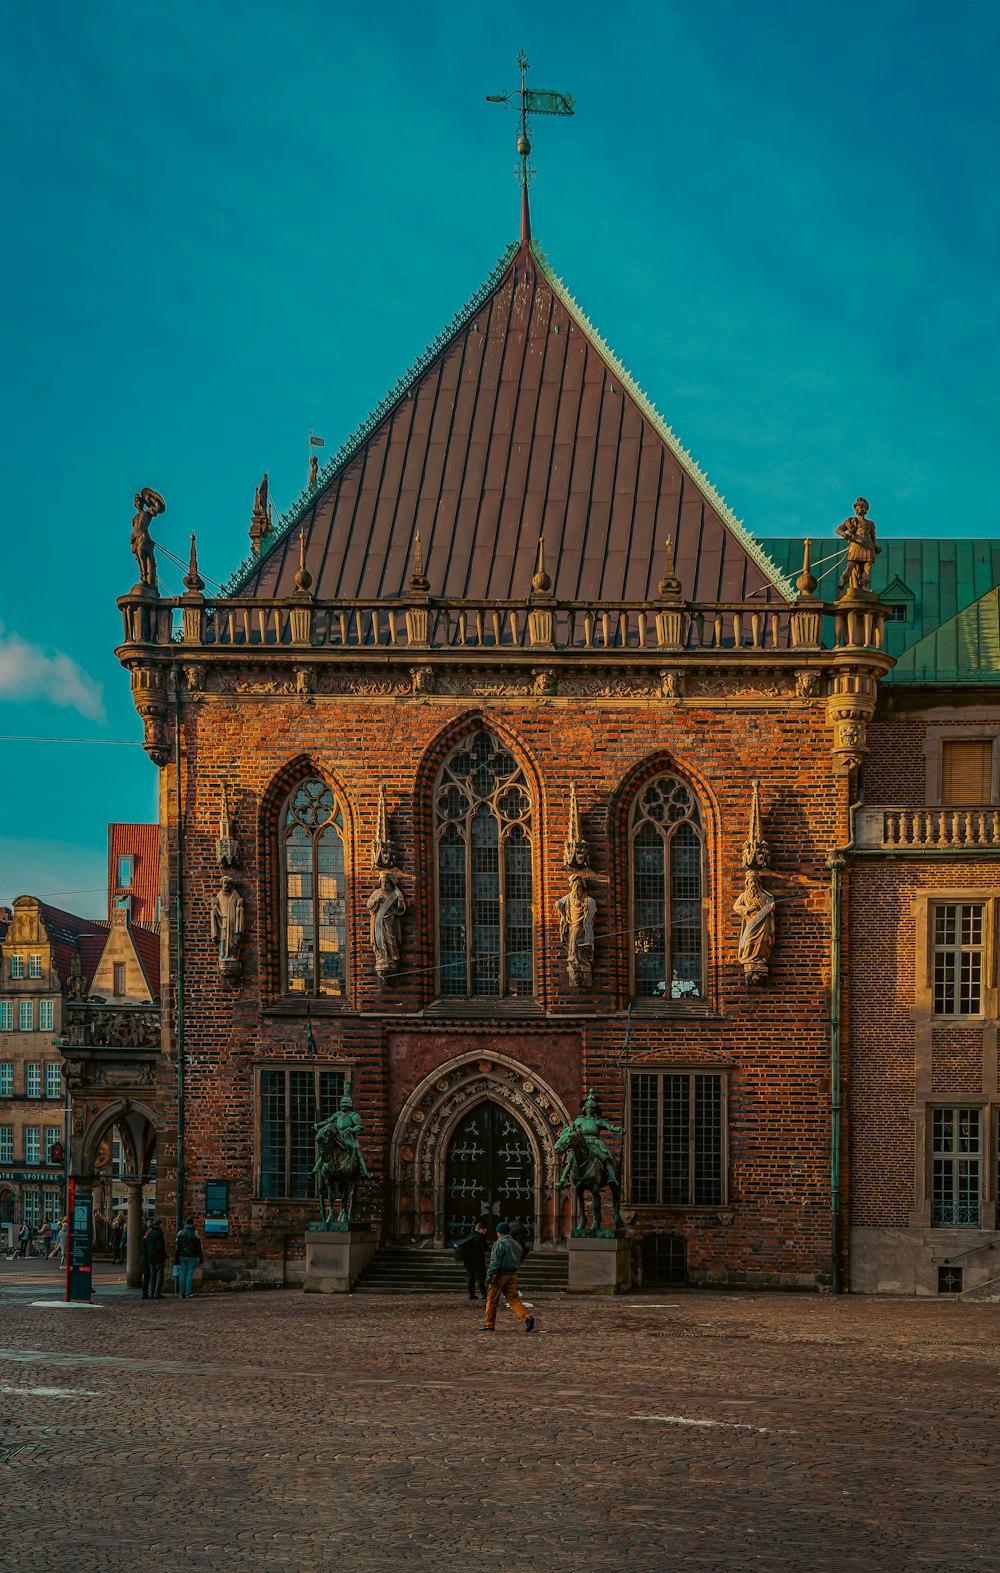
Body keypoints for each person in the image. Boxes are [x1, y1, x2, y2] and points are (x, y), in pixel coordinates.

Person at [481, 1221, 534, 1334]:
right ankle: (527, 1317)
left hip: (500, 1275)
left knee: (492, 1300)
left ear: (498, 1232)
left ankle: (489, 1323)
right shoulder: (516, 1244)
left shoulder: (499, 1244)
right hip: (512, 1275)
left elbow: (495, 1262)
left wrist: (489, 1277)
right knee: (514, 1300)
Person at [454, 1220, 490, 1301]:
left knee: (471, 1279)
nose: (485, 1232)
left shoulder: (470, 1236)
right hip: (478, 1261)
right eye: (484, 1230)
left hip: (468, 1261)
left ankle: (471, 1294)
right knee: (480, 1278)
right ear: (481, 1229)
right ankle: (484, 1294)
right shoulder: (481, 1237)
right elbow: (485, 1248)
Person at [173, 1217, 204, 1298]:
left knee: (182, 1273)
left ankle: (181, 1293)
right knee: (189, 1273)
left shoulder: (180, 1233)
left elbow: (177, 1247)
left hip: (182, 1255)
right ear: (193, 1223)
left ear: (185, 1222)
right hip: (192, 1255)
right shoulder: (195, 1233)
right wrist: (201, 1257)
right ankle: (188, 1292)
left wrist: (176, 1257)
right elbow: (199, 1247)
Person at [141, 1219, 167, 1299]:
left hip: (150, 1257)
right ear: (159, 1225)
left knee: (152, 1276)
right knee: (159, 1276)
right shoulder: (159, 1233)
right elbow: (160, 1246)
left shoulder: (149, 1233)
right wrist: (164, 1255)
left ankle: (151, 1292)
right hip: (158, 1257)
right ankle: (157, 1292)